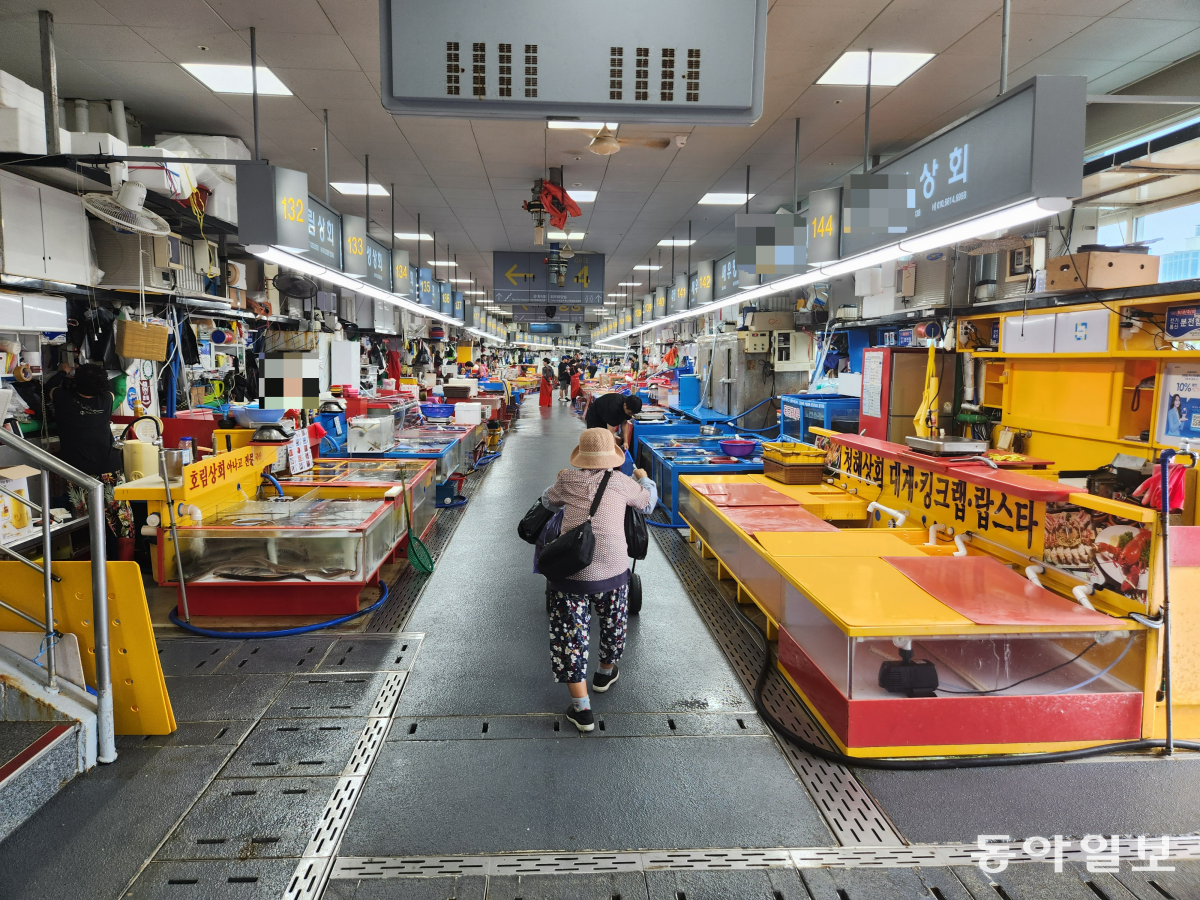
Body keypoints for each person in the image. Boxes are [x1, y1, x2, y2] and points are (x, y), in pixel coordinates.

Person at [541, 428, 658, 732]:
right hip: (613, 571)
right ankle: (605, 674)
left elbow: (547, 503)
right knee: (613, 622)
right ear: (612, 458)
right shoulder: (622, 482)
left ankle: (581, 711)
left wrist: (562, 485)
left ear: (581, 457)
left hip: (571, 570)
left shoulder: (567, 478)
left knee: (571, 637)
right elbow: (647, 504)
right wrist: (644, 479)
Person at [14, 361, 134, 557]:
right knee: (123, 522)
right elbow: (114, 388)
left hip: (79, 474)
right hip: (110, 470)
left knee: (86, 522)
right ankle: (127, 569)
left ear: (76, 383)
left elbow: (50, 386)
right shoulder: (107, 399)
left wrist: (62, 371)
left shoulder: (62, 398)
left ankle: (93, 569)